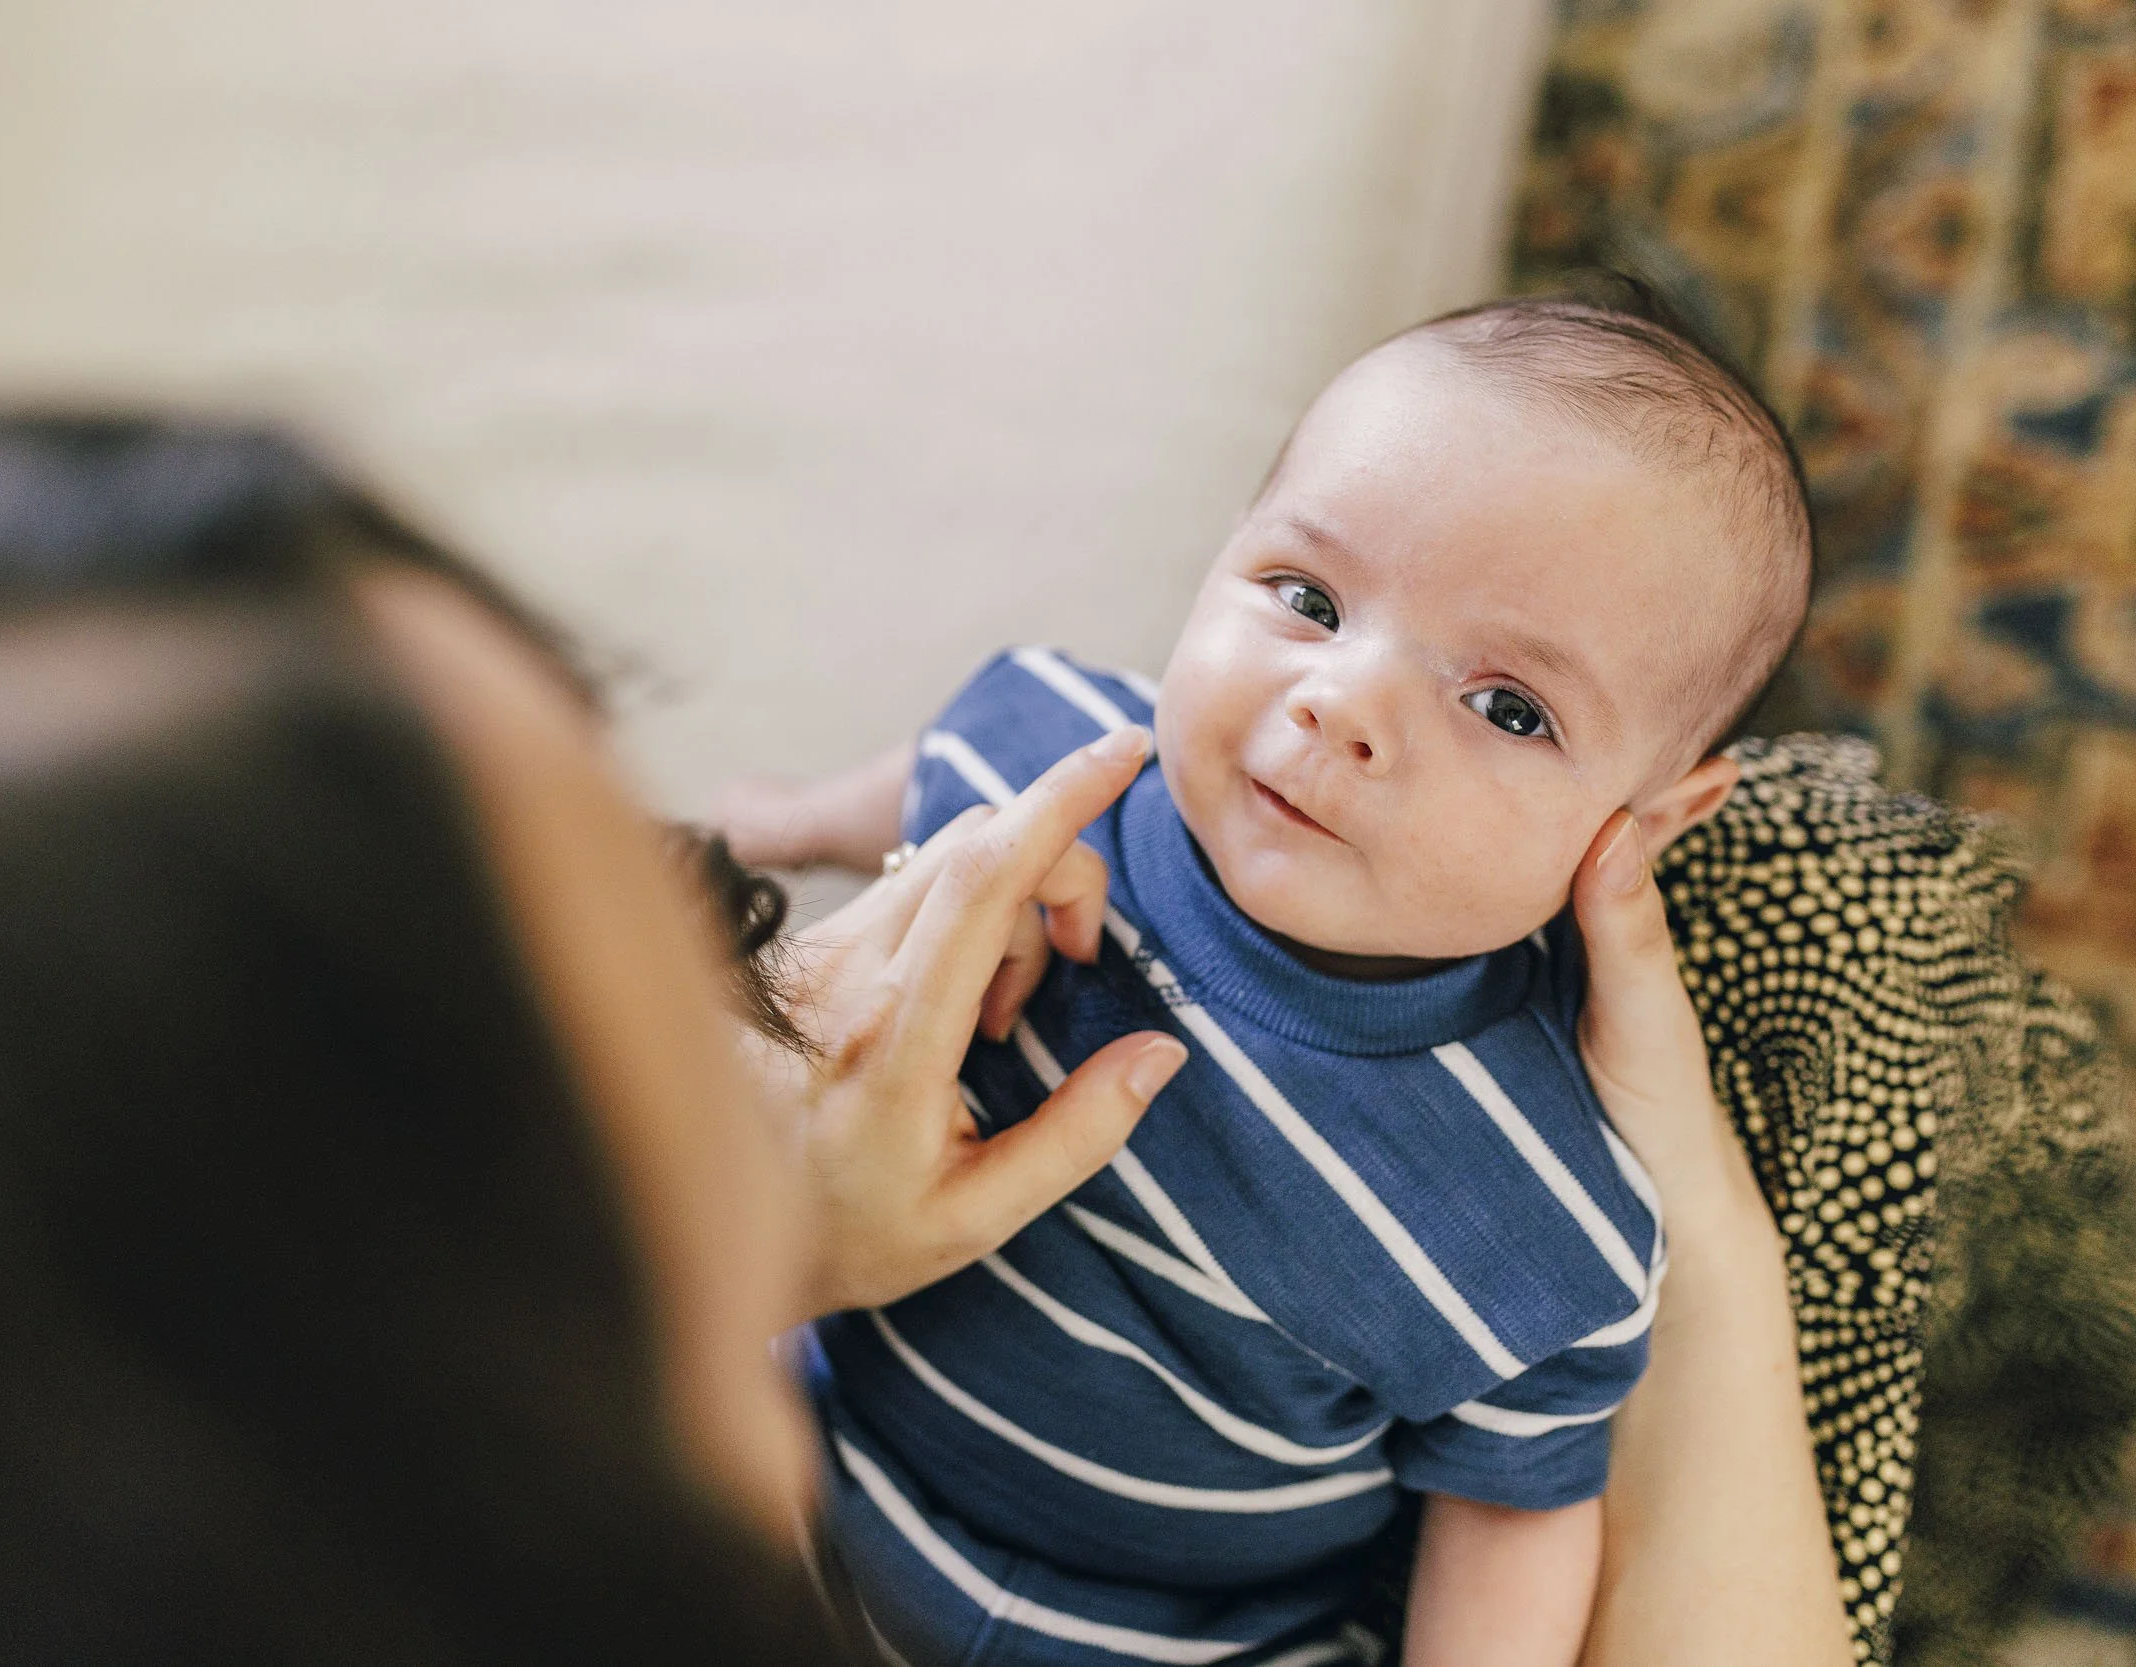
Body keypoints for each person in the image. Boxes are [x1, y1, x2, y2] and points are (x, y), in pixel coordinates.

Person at [0, 412, 1848, 1666]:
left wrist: (1677, 1228)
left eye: (686, 875)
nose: (811, 978)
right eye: (657, 964)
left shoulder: (1528, 1206)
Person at [716, 282, 1816, 1665]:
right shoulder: (1055, 760)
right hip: (806, 1465)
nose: (1341, 701)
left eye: (1508, 707)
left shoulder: (1544, 1216)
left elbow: (1516, 1512)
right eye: (1308, 597)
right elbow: (934, 790)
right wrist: (793, 824)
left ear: (1649, 817)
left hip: (1178, 1642)